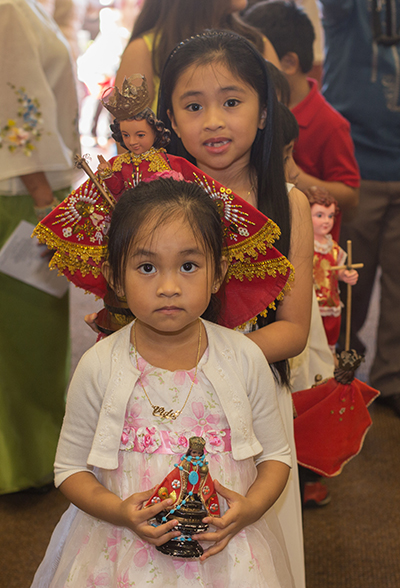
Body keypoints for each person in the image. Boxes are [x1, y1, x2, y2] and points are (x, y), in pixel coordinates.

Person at [31, 178, 294, 587]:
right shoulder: (99, 364)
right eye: (147, 267)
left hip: (223, 555)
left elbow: (277, 456)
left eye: (189, 266)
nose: (169, 287)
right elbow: (69, 468)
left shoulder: (243, 358)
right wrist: (120, 512)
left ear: (218, 273)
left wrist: (251, 508)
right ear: (115, 277)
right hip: (121, 552)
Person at [158, 30, 313, 588]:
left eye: (232, 101)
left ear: (265, 112)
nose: (214, 120)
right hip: (162, 393)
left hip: (251, 391)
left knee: (252, 544)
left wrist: (208, 357)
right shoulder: (152, 199)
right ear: (171, 121)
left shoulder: (288, 204)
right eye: (194, 106)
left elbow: (293, 329)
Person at [0, 0, 80, 494]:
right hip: (26, 193)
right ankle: (22, 463)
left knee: (36, 337)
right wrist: (45, 199)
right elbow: (16, 107)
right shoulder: (9, 9)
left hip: (36, 189)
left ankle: (36, 453)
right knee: (23, 340)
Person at [320, 0, 400, 418]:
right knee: (350, 280)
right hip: (356, 165)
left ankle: (393, 378)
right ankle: (343, 368)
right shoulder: (348, 11)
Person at [243, 0, 360, 241]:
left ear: (288, 63)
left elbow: (350, 195)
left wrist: (292, 173)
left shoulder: (330, 124)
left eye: (257, 59)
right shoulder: (255, 113)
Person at [115, 0, 281, 114]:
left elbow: (281, 130)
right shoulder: (143, 51)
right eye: (194, 107)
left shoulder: (258, 44)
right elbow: (129, 148)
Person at [310, 190, 359, 353]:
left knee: (329, 339)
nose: (327, 221)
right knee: (309, 341)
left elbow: (337, 270)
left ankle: (328, 367)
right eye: (320, 215)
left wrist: (346, 274)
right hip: (310, 305)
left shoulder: (334, 248)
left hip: (330, 303)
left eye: (330, 216)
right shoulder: (306, 245)